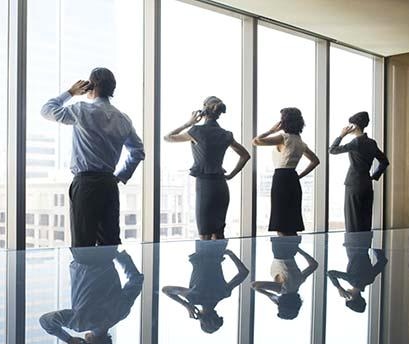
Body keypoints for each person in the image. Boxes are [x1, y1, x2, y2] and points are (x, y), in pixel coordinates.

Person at [41, 68, 145, 247]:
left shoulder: (81, 110)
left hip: (85, 185)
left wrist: (71, 92)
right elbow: (138, 151)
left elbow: (47, 110)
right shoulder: (123, 119)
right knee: (110, 243)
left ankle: (86, 275)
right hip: (109, 185)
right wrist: (120, 176)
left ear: (91, 86)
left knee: (83, 244)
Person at [39, 247, 143, 344]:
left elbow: (136, 280)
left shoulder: (121, 312)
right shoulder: (80, 323)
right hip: (82, 253)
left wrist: (116, 255)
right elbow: (45, 321)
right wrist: (68, 339)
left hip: (107, 252)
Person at [164, 97, 251, 240]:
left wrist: (189, 123)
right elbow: (245, 156)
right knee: (219, 233)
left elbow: (168, 137)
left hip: (205, 187)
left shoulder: (196, 131)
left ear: (204, 109)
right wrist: (230, 175)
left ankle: (207, 263)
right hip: (221, 187)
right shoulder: (226, 134)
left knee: (204, 235)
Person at [253, 108, 320, 236]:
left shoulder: (283, 138)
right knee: (291, 221)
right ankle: (290, 252)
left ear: (284, 121)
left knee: (281, 221)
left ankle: (283, 254)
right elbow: (315, 161)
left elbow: (256, 141)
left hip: (281, 178)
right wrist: (299, 176)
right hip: (293, 178)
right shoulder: (300, 141)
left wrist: (271, 130)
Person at [162, 240, 249, 333]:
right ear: (202, 319)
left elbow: (243, 273)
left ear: (216, 315)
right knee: (205, 232)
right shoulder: (194, 298)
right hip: (201, 251)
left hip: (217, 252)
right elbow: (166, 290)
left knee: (217, 229)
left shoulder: (223, 293)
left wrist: (231, 254)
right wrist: (186, 305)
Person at [330, 112, 389, 232]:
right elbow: (384, 161)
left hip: (354, 184)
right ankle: (364, 247)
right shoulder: (372, 143)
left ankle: (354, 248)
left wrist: (341, 135)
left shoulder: (356, 142)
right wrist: (374, 176)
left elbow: (332, 150)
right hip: (367, 183)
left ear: (355, 126)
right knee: (365, 219)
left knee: (353, 219)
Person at [252, 236, 318, 320]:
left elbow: (314, 265)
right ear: (282, 305)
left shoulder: (299, 282)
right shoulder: (282, 289)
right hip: (279, 248)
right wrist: (270, 295)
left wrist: (298, 249)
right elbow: (254, 285)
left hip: (292, 246)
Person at [327, 231, 387, 313]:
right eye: (346, 298)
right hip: (352, 240)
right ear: (350, 298)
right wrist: (339, 288)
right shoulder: (353, 280)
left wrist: (371, 246)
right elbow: (330, 273)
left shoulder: (369, 279)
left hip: (364, 240)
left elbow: (383, 261)